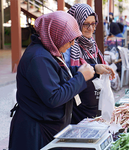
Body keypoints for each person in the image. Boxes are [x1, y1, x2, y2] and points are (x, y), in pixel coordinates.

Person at [8, 11, 96, 149]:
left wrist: (94, 69)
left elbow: (61, 75)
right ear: (56, 35)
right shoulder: (38, 58)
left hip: (47, 125)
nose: (72, 44)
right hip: (35, 131)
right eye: (69, 39)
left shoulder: (49, 51)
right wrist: (81, 77)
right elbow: (54, 97)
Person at [65, 4, 115, 124]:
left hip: (96, 108)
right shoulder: (69, 47)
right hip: (79, 110)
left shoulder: (92, 44)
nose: (90, 28)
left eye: (93, 24)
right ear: (75, 24)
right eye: (85, 24)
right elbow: (67, 74)